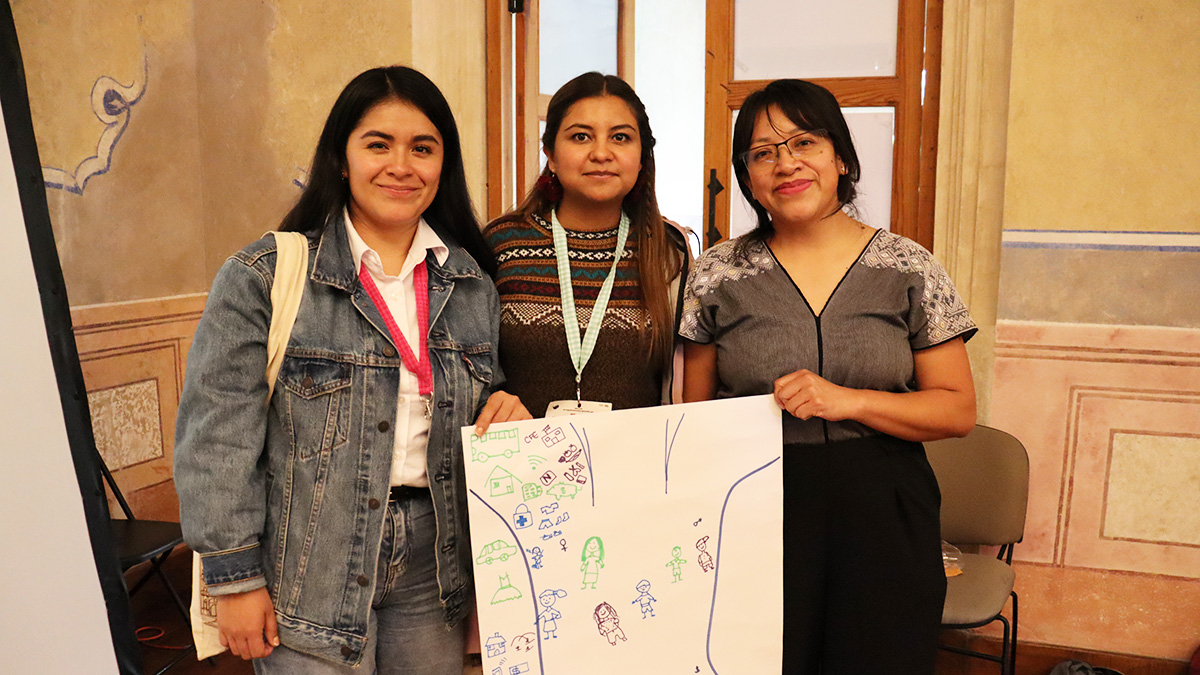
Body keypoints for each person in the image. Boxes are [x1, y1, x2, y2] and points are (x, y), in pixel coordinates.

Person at [174, 66, 525, 675]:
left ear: (443, 164)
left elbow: (471, 405)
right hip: (311, 560)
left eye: (423, 148)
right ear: (341, 158)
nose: (401, 165)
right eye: (378, 144)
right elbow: (217, 438)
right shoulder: (264, 277)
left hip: (432, 567)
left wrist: (505, 407)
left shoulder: (471, 285)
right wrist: (235, 579)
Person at [680, 79, 977, 674]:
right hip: (755, 510)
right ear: (748, 177)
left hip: (884, 508)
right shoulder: (716, 274)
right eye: (762, 152)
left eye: (804, 142)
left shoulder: (908, 266)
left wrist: (851, 401)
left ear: (841, 157)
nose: (785, 163)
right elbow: (696, 419)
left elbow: (957, 410)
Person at [479, 72, 690, 424]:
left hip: (637, 455)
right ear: (550, 154)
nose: (601, 154)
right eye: (581, 137)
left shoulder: (668, 250)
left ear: (642, 157)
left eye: (620, 137)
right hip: (522, 455)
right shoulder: (501, 243)